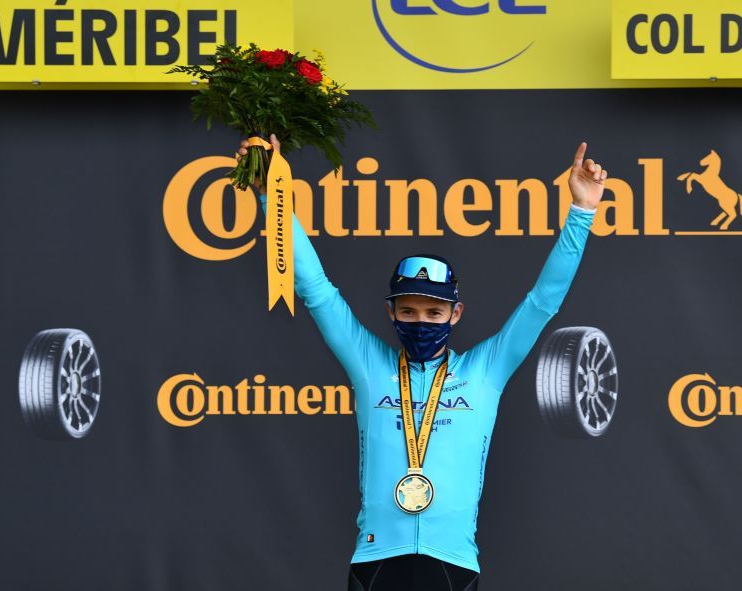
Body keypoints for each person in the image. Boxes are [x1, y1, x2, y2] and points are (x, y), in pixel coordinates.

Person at [241, 134, 606, 590]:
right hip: (375, 562)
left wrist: (582, 212)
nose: (421, 321)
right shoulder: (369, 365)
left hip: (452, 566)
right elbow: (315, 289)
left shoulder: (485, 371)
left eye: (434, 312)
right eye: (409, 311)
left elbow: (542, 302)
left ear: (456, 313)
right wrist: (268, 196)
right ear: (390, 312)